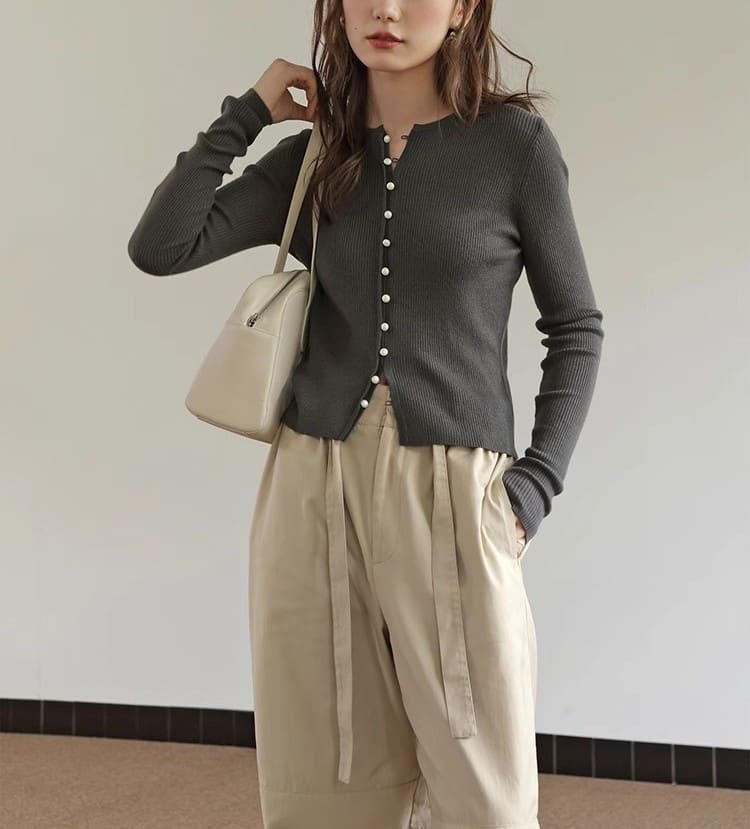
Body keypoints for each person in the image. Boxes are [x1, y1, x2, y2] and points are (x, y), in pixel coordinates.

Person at [128, 1, 605, 826]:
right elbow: (161, 245)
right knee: (326, 780)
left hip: (454, 493)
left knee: (485, 793)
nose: (384, 8)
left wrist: (532, 491)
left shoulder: (513, 147)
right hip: (311, 487)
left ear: (463, 10)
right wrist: (249, 113)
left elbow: (576, 328)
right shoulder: (318, 156)